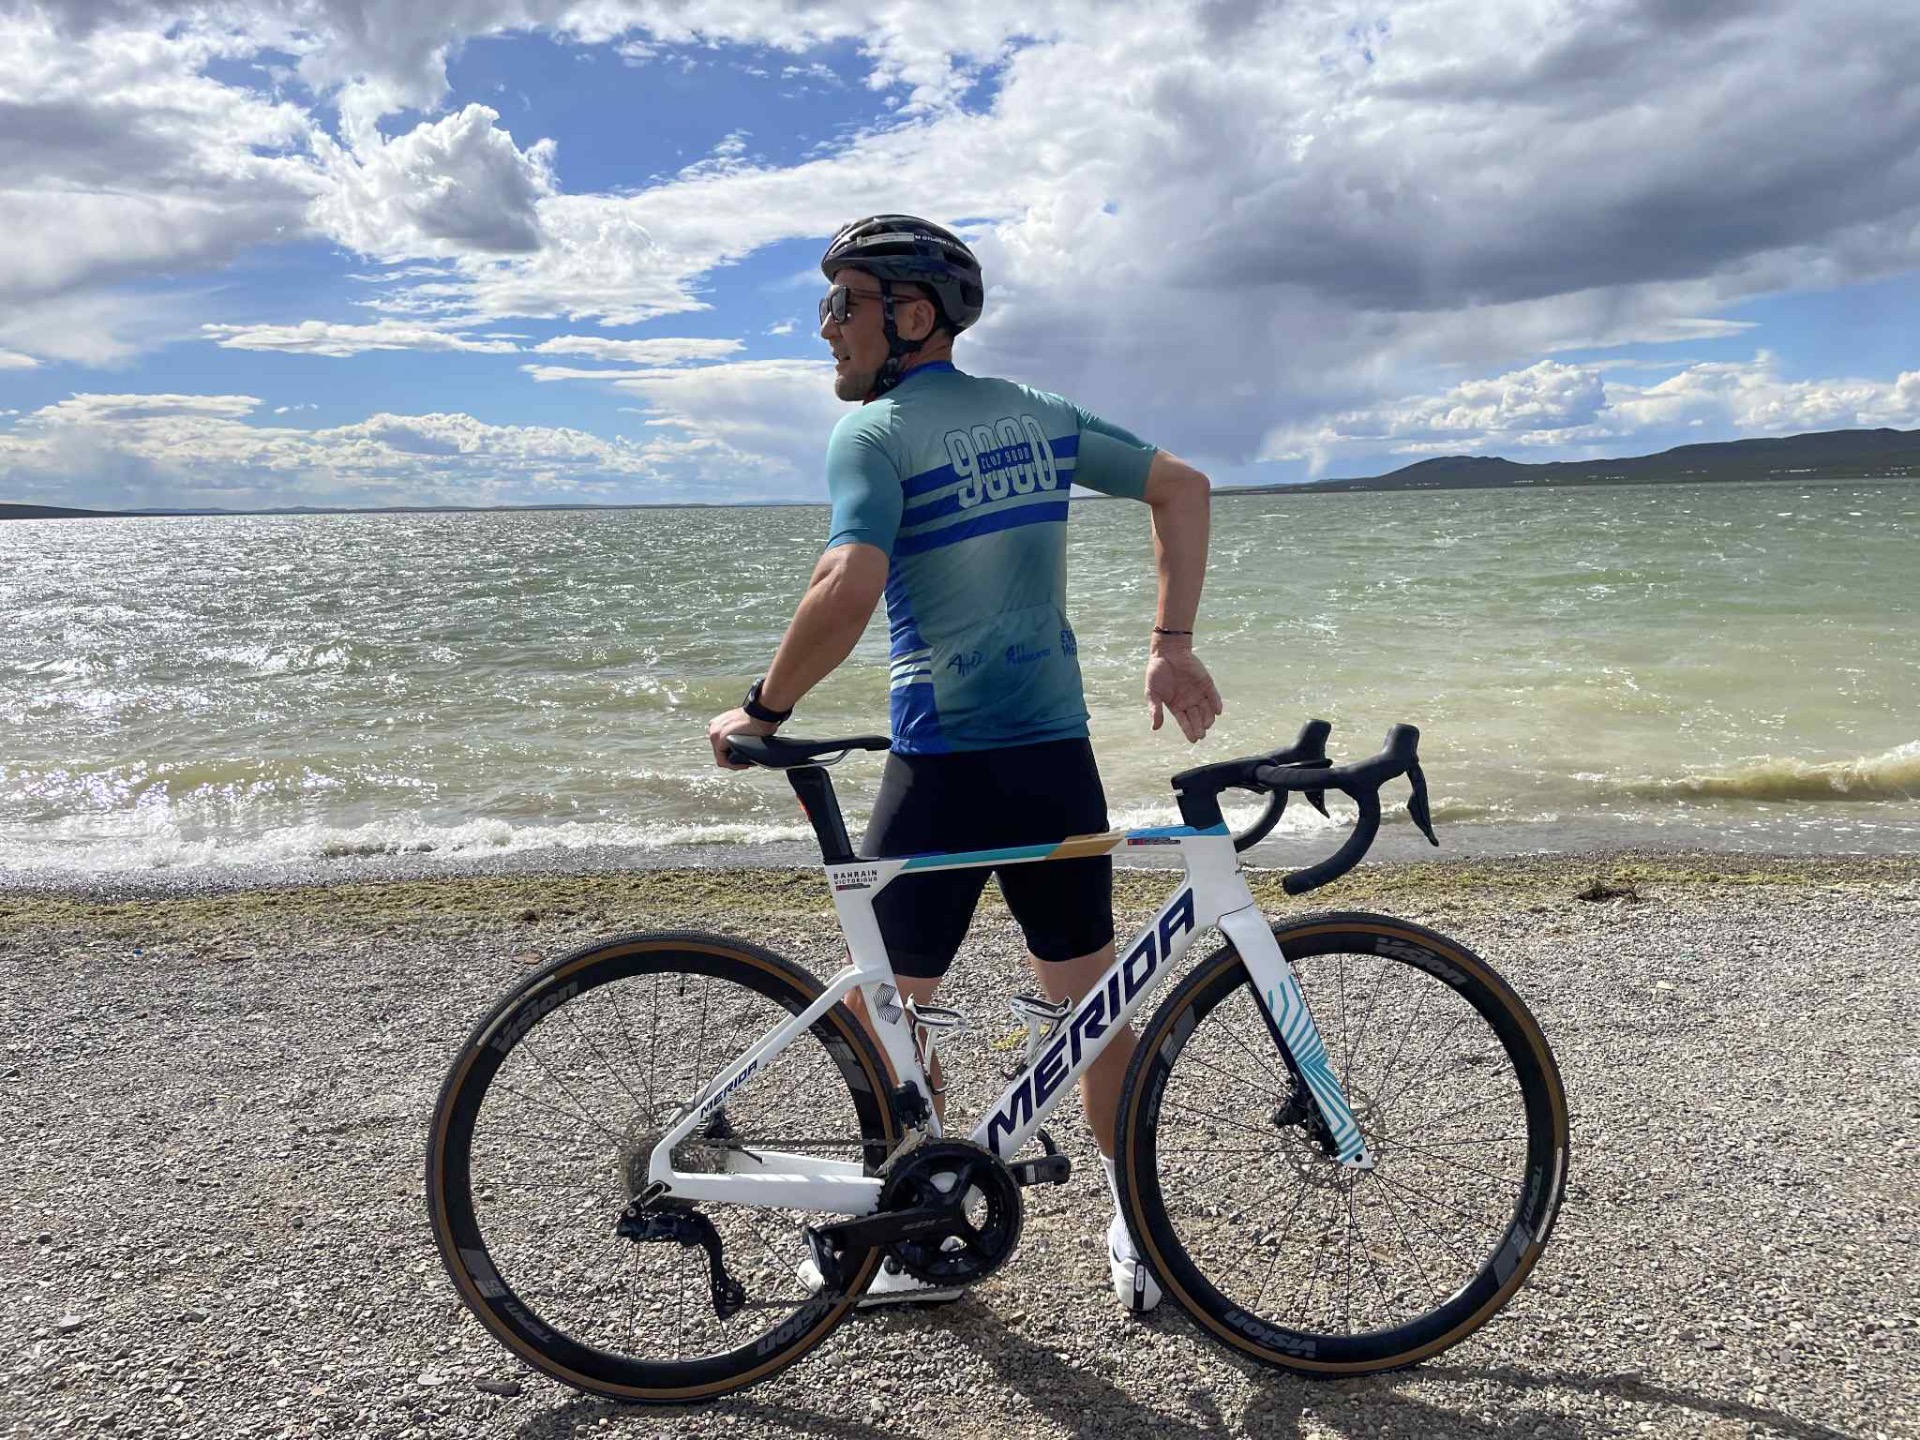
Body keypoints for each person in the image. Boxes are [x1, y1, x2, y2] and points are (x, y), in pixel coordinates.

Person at [706, 215, 1222, 1313]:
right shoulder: (1041, 415)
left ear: (912, 314)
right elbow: (1183, 486)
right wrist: (1171, 646)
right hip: (1052, 758)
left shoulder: (876, 433)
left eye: (842, 304)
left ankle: (920, 1228)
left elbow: (847, 581)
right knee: (1091, 1009)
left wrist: (763, 709)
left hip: (937, 770)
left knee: (889, 1017)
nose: (826, 329)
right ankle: (1136, 1229)